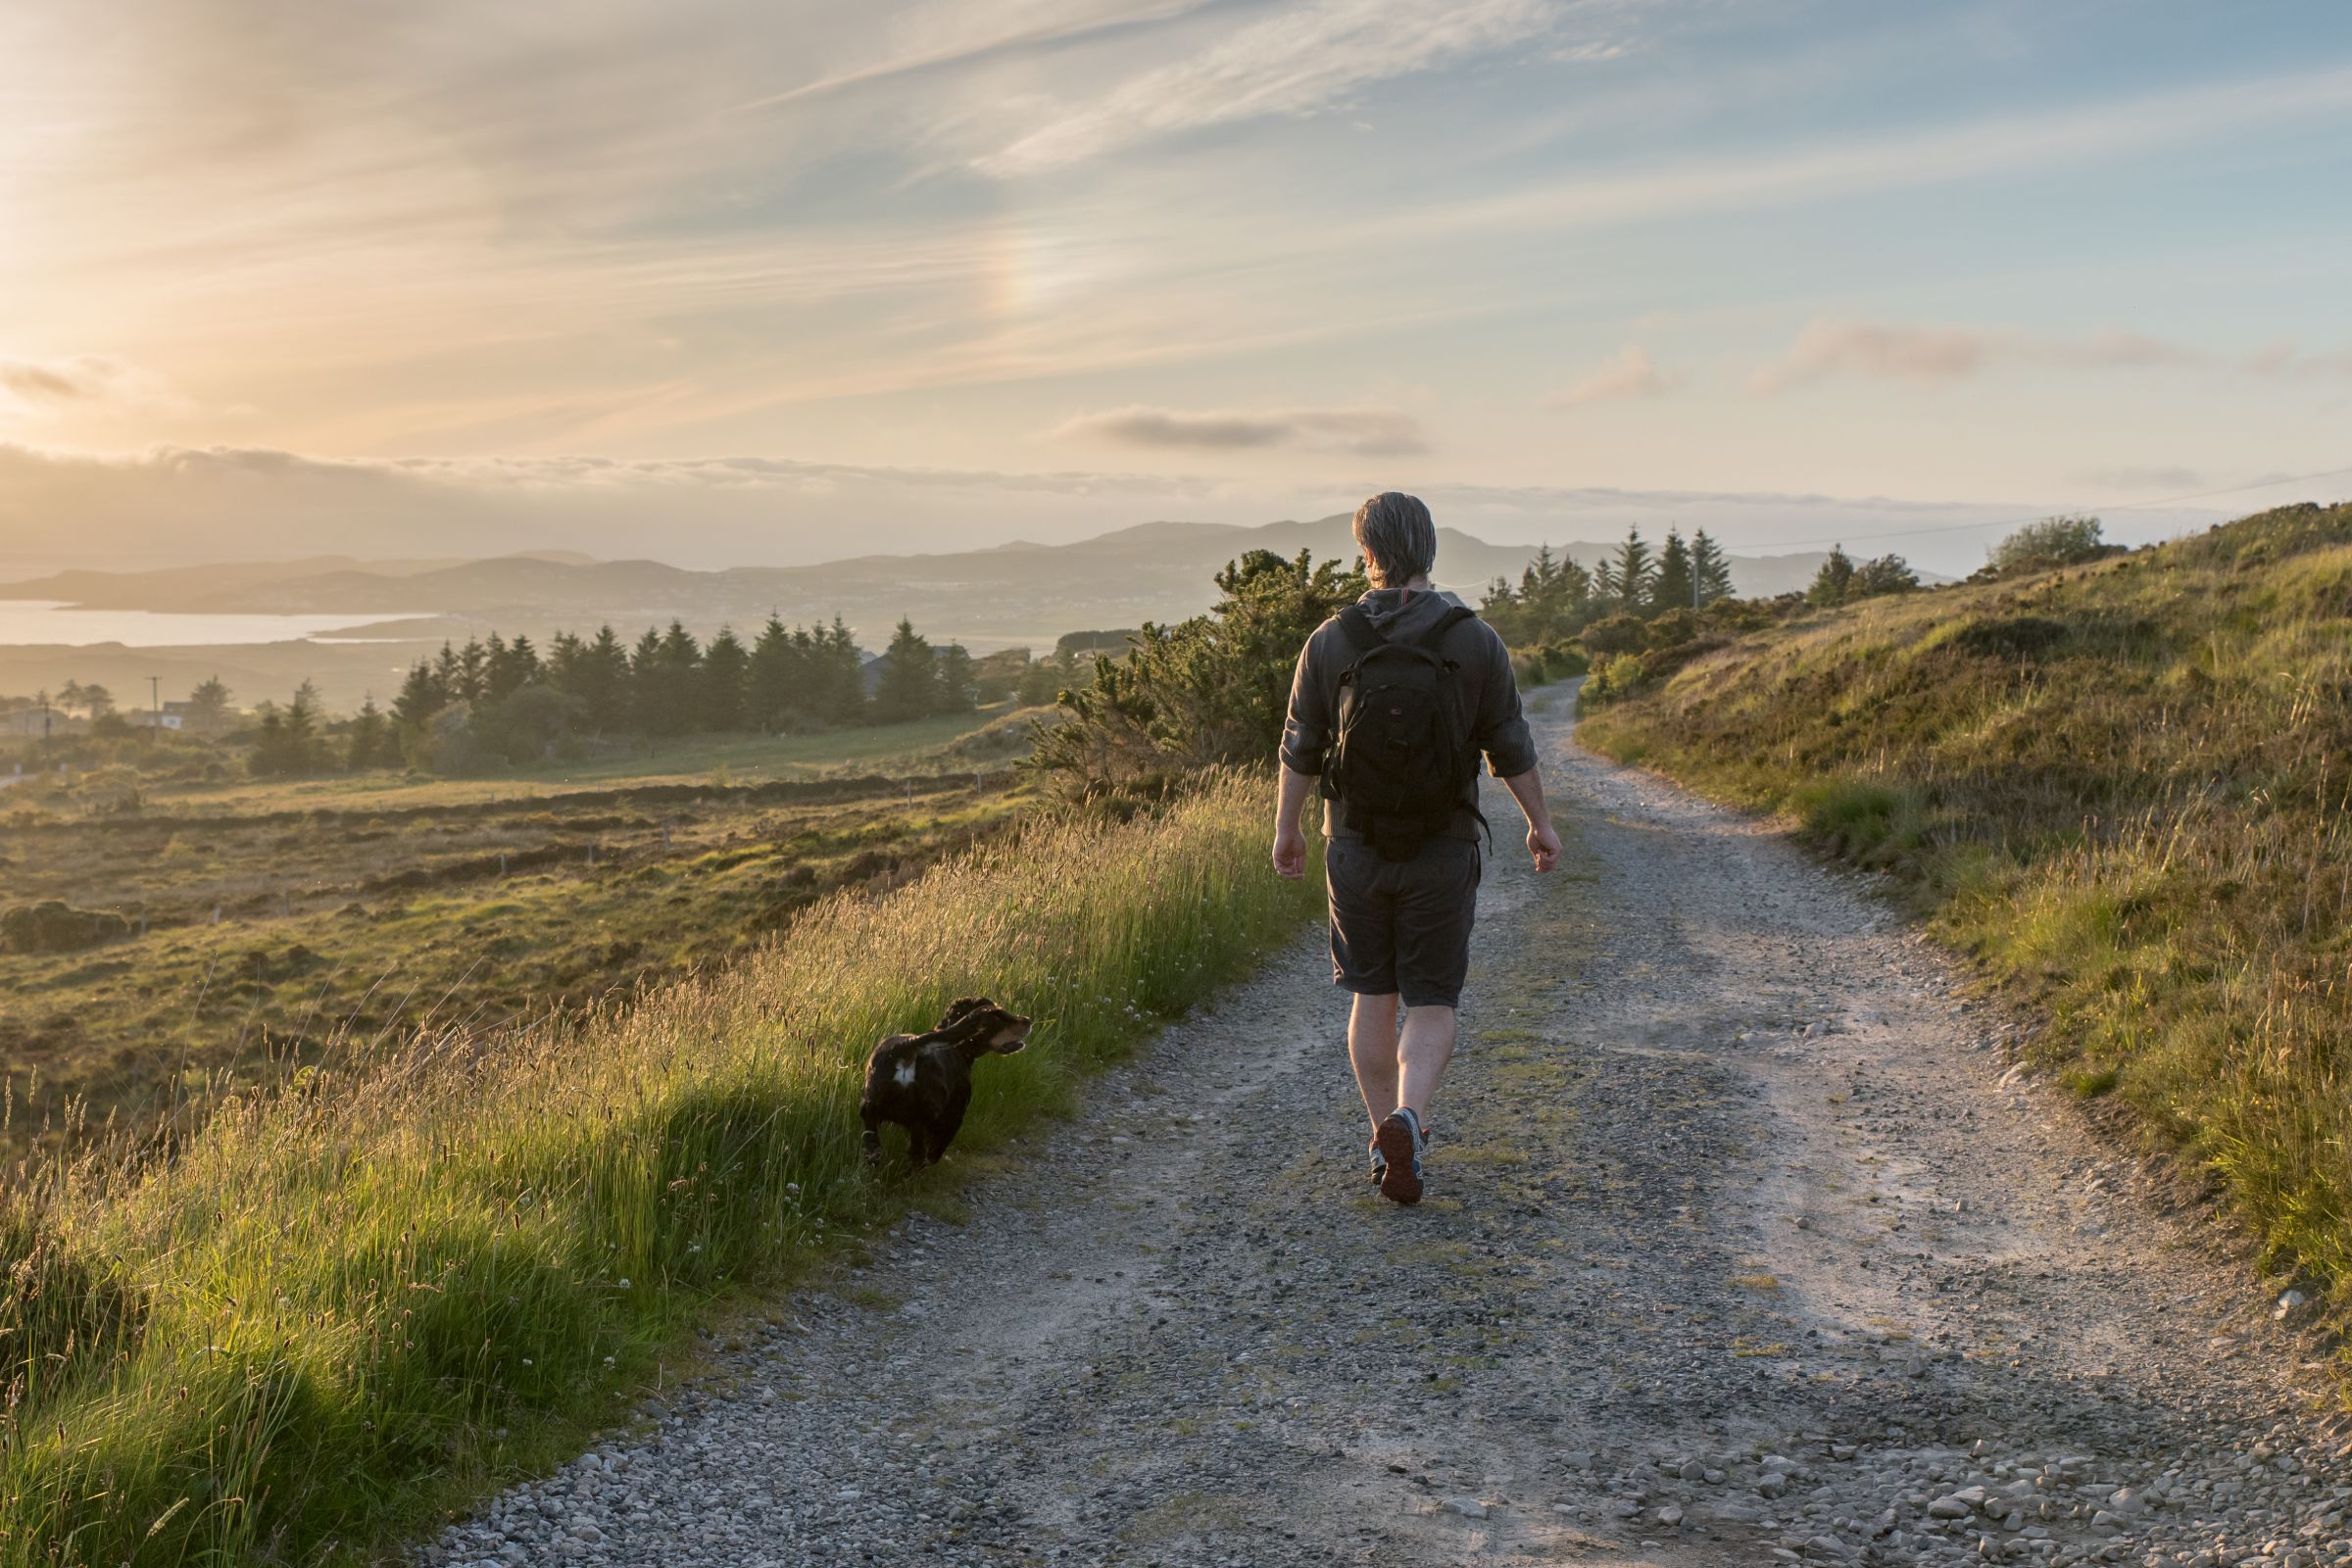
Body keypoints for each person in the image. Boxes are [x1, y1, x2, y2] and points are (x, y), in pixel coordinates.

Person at [1271, 491, 1561, 1205]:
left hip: (1357, 846)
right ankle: (1411, 1119)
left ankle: (1382, 1138)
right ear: (1429, 548)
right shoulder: (1474, 638)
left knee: (1373, 993)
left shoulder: (1331, 639)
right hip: (1442, 846)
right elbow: (1510, 742)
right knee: (1432, 999)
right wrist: (1540, 823)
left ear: (1366, 552)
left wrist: (1289, 829)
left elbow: (1299, 745)